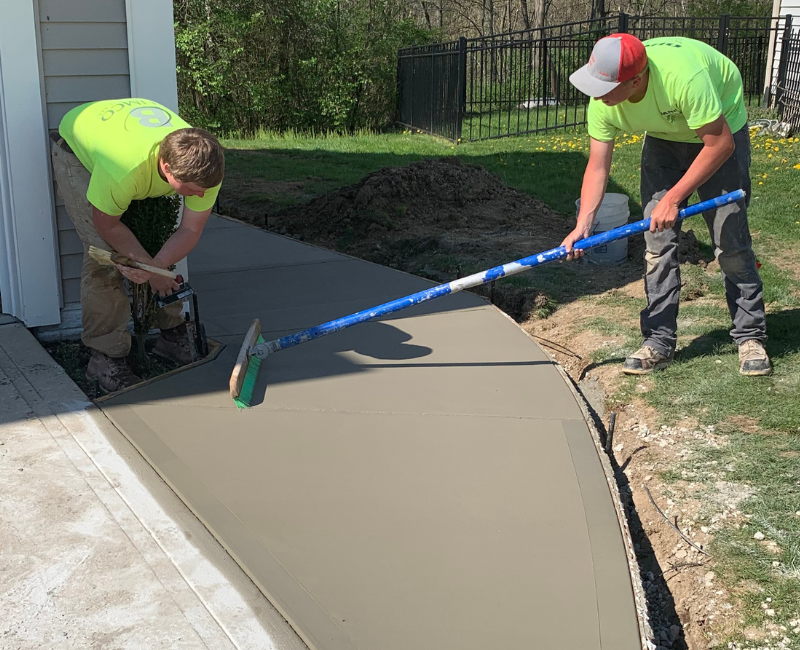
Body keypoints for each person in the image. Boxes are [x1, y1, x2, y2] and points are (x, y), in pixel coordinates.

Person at [563, 34, 771, 376]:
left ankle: (750, 336)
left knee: (730, 240)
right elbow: (598, 167)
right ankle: (658, 340)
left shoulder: (684, 78)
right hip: (663, 137)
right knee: (657, 243)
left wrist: (673, 199)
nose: (596, 94)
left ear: (636, 81)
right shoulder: (602, 101)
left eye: (605, 87)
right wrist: (583, 223)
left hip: (719, 128)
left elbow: (720, 145)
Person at [51, 98, 225, 392]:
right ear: (167, 168)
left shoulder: (207, 168)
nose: (201, 196)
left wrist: (156, 268)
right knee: (106, 258)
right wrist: (146, 265)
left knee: (157, 245)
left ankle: (170, 337)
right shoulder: (123, 170)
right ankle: (104, 357)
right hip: (78, 150)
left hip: (130, 149)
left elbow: (190, 230)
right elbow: (107, 225)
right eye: (194, 191)